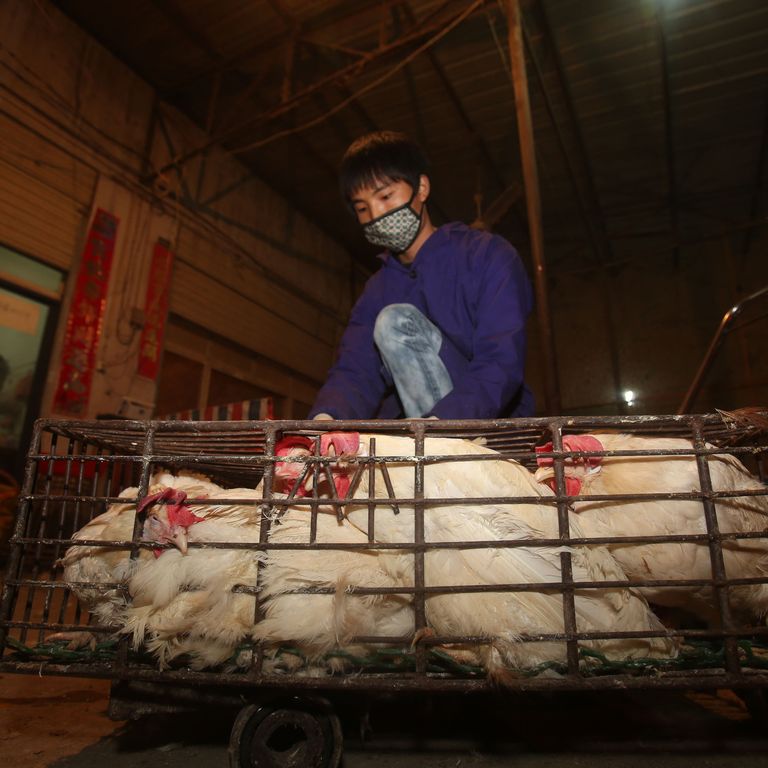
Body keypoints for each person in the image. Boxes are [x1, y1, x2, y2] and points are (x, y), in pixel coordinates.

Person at [309, 131, 535, 421]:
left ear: (422, 188)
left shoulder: (486, 255)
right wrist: (324, 421)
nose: (376, 215)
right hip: (413, 432)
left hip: (489, 424)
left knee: (395, 322)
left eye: (386, 196)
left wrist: (443, 423)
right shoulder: (376, 291)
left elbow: (501, 360)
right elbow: (355, 370)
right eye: (362, 208)